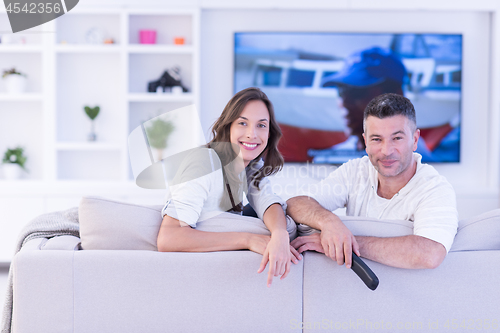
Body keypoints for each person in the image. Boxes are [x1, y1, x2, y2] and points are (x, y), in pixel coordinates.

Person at [287, 93, 458, 269]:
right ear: (365, 142)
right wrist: (329, 222)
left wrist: (344, 243)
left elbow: (430, 254)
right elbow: (295, 204)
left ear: (415, 140)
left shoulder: (435, 188)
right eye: (376, 139)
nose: (386, 151)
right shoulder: (355, 171)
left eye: (397, 138)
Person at [157, 87, 300, 287]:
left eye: (261, 125)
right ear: (228, 127)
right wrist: (249, 240)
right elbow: (169, 238)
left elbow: (268, 201)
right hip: (186, 278)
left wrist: (279, 234)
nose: (252, 134)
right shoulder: (203, 163)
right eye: (243, 123)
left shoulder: (249, 165)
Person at [310, 46, 451, 163]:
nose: (345, 103)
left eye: (356, 92)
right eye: (341, 92)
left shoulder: (421, 171)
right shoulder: (326, 160)